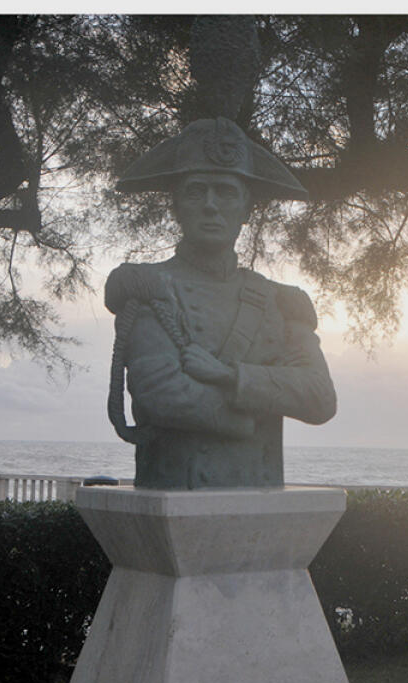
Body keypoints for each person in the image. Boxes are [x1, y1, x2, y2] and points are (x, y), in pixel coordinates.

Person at [105, 117, 336, 489]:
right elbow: (160, 396)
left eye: (226, 192)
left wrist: (231, 376)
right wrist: (247, 418)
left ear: (247, 210)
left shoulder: (281, 300)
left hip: (259, 487)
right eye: (196, 191)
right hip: (175, 488)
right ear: (176, 205)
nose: (211, 205)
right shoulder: (149, 287)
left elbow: (319, 397)